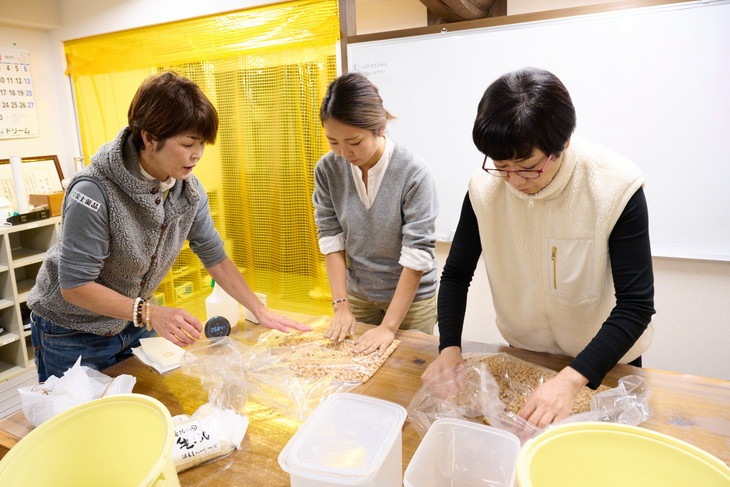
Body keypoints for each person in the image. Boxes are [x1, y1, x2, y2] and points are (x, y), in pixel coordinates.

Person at [28, 71, 310, 382]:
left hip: (128, 324)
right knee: (79, 422)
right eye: (188, 143)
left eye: (202, 143)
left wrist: (260, 310)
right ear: (149, 138)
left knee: (144, 408)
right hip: (70, 332)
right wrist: (149, 313)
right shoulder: (93, 191)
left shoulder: (187, 189)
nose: (197, 154)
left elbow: (214, 255)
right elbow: (76, 287)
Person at [422, 67, 655, 427]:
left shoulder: (615, 186)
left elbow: (636, 307)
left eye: (528, 168)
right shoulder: (485, 188)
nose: (514, 181)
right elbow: (455, 275)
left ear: (561, 145)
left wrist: (571, 379)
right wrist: (449, 348)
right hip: (525, 356)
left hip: (605, 360)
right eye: (501, 166)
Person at [312, 72, 439, 355]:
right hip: (359, 296)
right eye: (333, 142)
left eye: (354, 142)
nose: (344, 152)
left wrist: (390, 326)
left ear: (380, 127)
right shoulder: (327, 169)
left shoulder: (413, 172)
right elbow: (331, 237)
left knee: (408, 376)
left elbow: (417, 254)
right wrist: (341, 305)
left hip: (411, 301)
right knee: (353, 373)